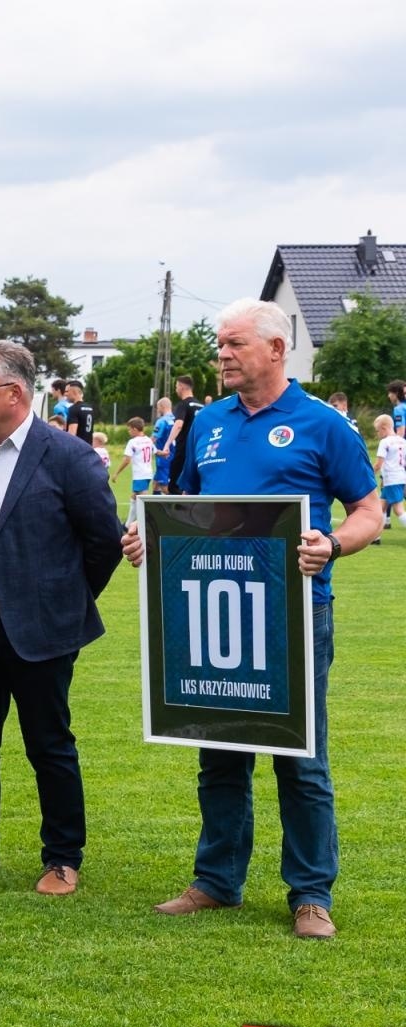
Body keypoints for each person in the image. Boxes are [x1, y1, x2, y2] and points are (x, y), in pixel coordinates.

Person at [120, 299, 380, 939]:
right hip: (211, 611)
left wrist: (333, 544)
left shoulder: (324, 425)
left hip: (294, 614)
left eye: (234, 344)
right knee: (220, 747)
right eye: (218, 346)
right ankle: (216, 882)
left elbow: (369, 510)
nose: (223, 356)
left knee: (301, 758)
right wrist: (146, 538)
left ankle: (311, 895)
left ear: (275, 349)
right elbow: (178, 503)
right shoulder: (206, 422)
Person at [0, 340, 124, 896]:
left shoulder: (67, 455)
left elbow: (103, 543)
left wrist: (64, 599)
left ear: (14, 394)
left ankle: (63, 857)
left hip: (40, 628)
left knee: (49, 743)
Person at [161, 374, 205, 492]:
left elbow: (179, 425)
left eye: (176, 387)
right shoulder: (202, 406)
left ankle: (178, 510)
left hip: (184, 451)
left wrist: (167, 444)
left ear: (181, 387)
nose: (176, 390)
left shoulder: (183, 405)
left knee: (174, 487)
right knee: (194, 488)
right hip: (199, 451)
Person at [110, 417, 154, 515]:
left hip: (140, 474)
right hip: (148, 473)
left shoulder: (133, 442)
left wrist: (116, 473)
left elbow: (127, 460)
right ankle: (128, 524)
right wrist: (163, 453)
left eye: (129, 429)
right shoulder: (148, 440)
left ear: (134, 429)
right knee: (134, 497)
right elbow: (155, 451)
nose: (129, 432)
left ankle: (146, 522)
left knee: (143, 499)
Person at [374, 414, 405, 539]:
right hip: (399, 478)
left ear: (384, 428)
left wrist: (369, 474)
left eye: (378, 430)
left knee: (398, 509)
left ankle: (375, 537)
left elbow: (378, 464)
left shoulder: (384, 442)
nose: (377, 434)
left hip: (392, 479)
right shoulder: (403, 441)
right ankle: (375, 537)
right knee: (380, 509)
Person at [150, 398, 175, 494]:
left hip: (164, 458)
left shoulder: (162, 421)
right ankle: (155, 508)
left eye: (157, 408)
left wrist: (141, 442)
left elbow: (153, 439)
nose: (157, 410)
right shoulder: (177, 420)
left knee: (165, 487)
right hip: (175, 456)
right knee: (156, 484)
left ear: (162, 407)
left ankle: (179, 507)